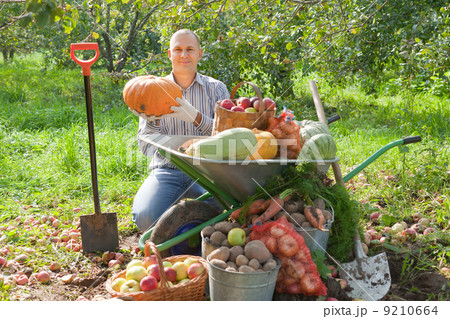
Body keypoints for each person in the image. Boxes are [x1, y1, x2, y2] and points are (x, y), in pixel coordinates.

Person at [130, 29, 230, 231]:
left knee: (226, 206)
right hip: (166, 170)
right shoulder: (150, 90)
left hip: (206, 170)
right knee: (145, 218)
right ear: (169, 54)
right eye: (178, 49)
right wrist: (152, 121)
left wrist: (197, 118)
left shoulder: (217, 89)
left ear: (199, 53)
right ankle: (173, 207)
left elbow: (228, 139)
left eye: (189, 49)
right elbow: (145, 148)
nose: (184, 55)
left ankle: (184, 215)